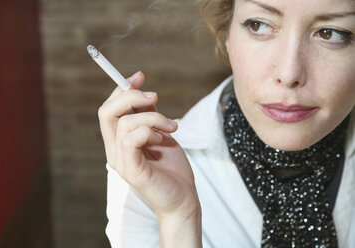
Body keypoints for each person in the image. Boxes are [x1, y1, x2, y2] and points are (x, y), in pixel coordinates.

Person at [98, 0, 355, 247]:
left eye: (330, 33)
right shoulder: (150, 166)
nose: (289, 74)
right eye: (259, 25)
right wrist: (179, 217)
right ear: (228, 35)